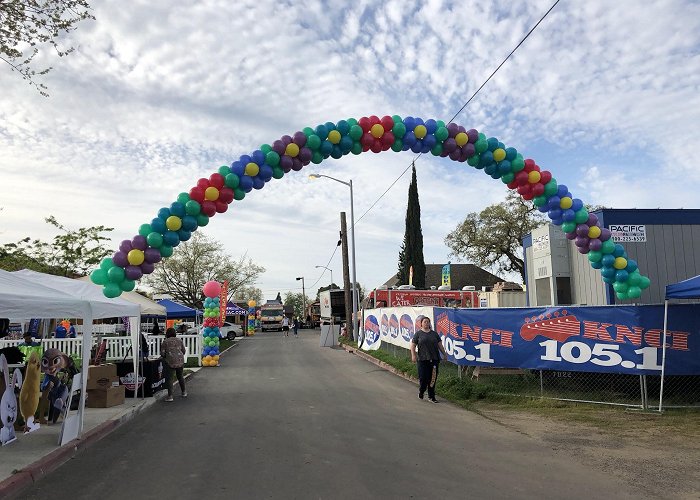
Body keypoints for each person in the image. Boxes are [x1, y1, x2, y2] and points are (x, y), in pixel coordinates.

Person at [410, 316, 447, 403]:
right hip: (423, 359)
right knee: (423, 378)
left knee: (433, 378)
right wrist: (413, 355)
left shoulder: (434, 334)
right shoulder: (418, 334)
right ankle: (421, 391)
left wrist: (444, 354)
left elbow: (440, 345)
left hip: (434, 359)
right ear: (421, 324)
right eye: (425, 322)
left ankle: (431, 396)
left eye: (428, 322)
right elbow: (413, 345)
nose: (426, 323)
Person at [161, 328, 187, 402]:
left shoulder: (165, 342)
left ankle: (170, 396)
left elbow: (162, 353)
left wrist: (165, 356)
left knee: (170, 378)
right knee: (180, 376)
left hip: (170, 361)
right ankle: (184, 392)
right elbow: (183, 351)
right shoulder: (179, 340)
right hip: (180, 360)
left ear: (167, 334)